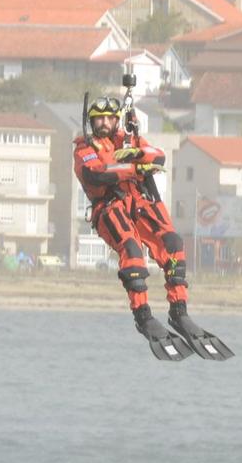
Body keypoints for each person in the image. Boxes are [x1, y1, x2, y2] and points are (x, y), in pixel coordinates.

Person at [73, 94, 195, 338]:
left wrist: (137, 156)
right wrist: (134, 168)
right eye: (100, 119)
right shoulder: (85, 148)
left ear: (117, 120)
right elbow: (97, 173)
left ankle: (178, 309)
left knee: (172, 243)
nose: (105, 123)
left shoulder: (130, 141)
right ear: (92, 122)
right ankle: (142, 313)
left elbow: (157, 155)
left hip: (139, 202)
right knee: (132, 249)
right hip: (109, 207)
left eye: (109, 118)